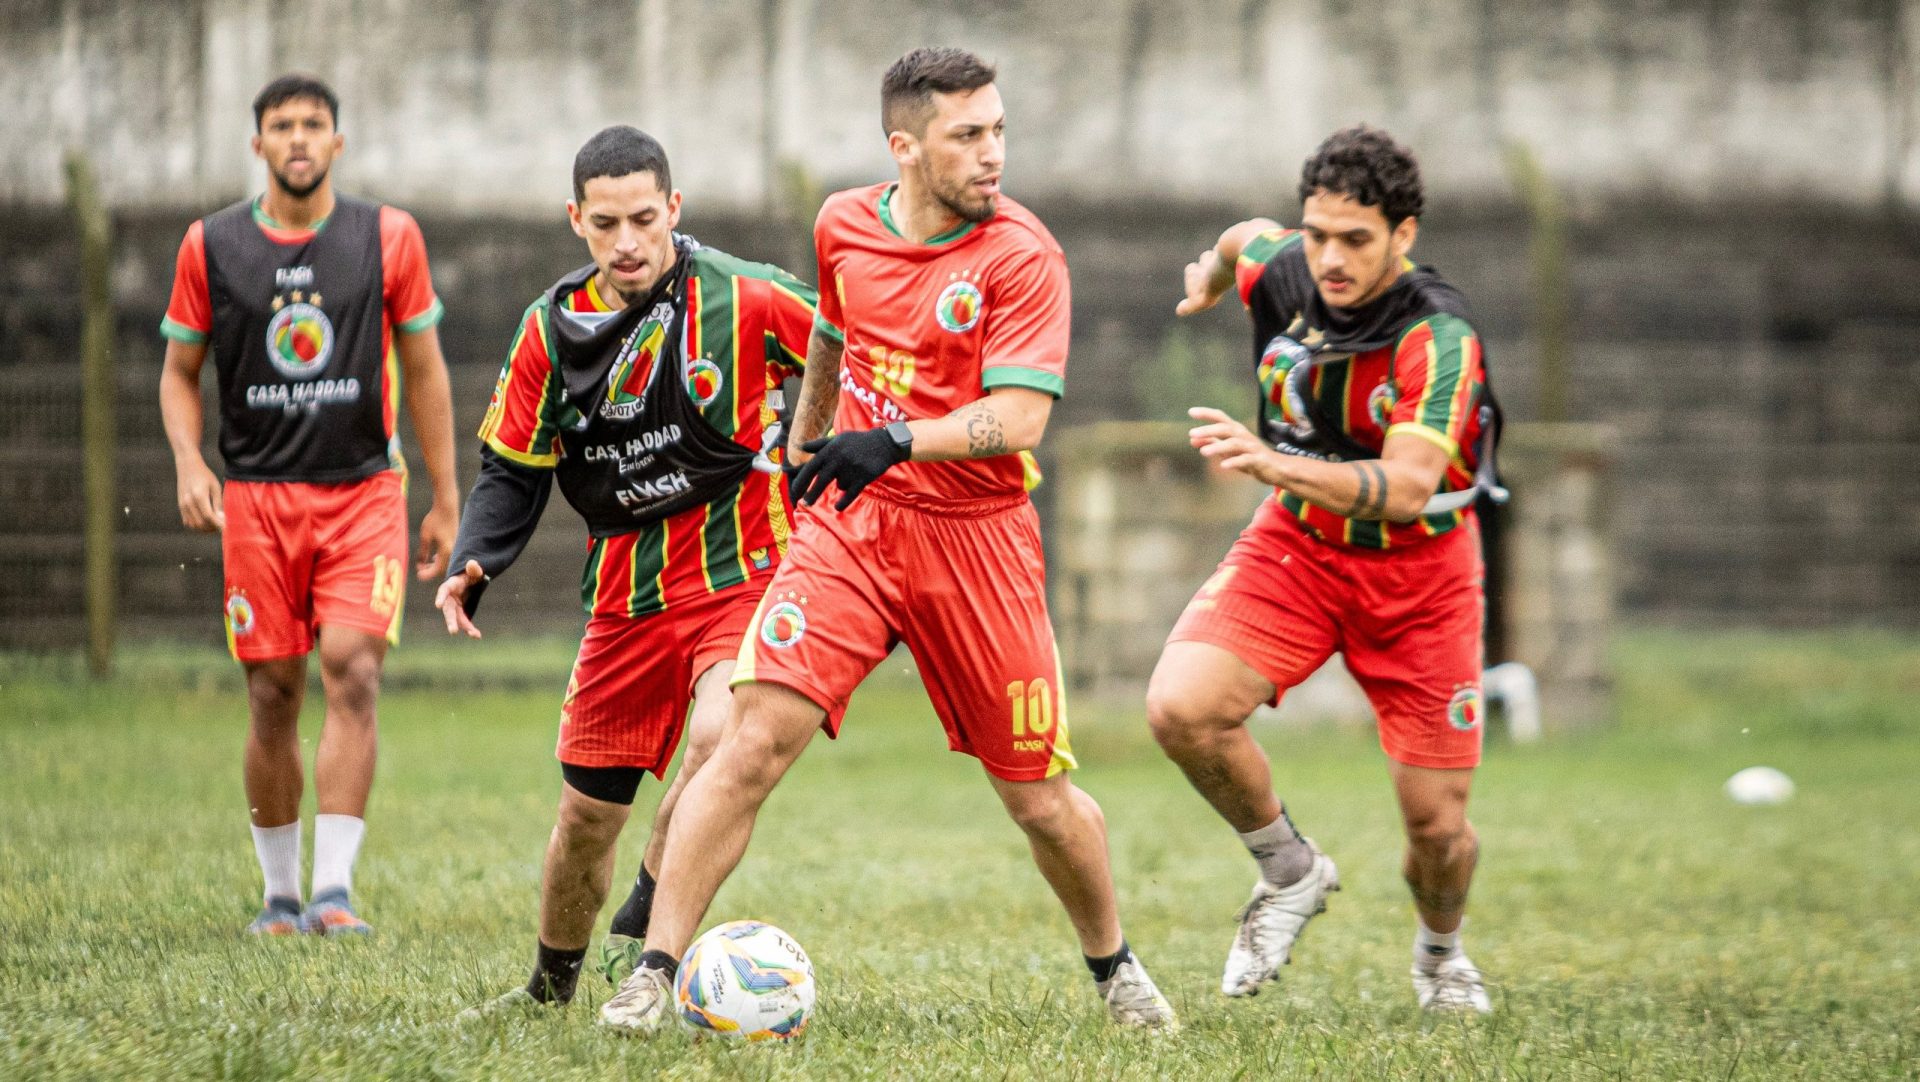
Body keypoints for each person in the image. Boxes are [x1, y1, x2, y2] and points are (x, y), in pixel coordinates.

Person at [597, 46, 1177, 1035]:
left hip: (978, 540)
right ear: (904, 148)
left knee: (1040, 800)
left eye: (998, 131)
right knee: (746, 742)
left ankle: (1115, 965)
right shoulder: (842, 224)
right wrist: (807, 436)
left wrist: (896, 437)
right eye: (968, 136)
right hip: (854, 531)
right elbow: (833, 328)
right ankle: (654, 971)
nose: (994, 154)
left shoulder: (1024, 256)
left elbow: (1021, 419)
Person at [439, 126, 818, 1014]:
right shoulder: (549, 329)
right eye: (605, 223)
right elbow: (510, 468)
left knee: (724, 735)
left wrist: (818, 443)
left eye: (644, 219)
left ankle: (648, 946)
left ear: (674, 210)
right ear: (576, 220)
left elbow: (853, 343)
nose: (628, 242)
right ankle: (547, 992)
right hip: (626, 597)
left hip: (747, 573)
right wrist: (474, 560)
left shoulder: (746, 296)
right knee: (584, 822)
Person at [1147, 125, 1498, 1013]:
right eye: (1319, 235)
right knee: (1182, 708)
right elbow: (1242, 238)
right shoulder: (1290, 263)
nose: (1330, 260)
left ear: (1404, 235)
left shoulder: (1439, 338)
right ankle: (1289, 871)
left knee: (1438, 828)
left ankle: (1441, 956)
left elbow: (1409, 487)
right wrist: (1212, 273)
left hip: (1419, 576)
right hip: (1299, 547)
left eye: (1357, 240)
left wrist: (1272, 464)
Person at [158, 73, 461, 937]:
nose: (298, 138)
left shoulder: (388, 236)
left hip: (365, 489)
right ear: (256, 144)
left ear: (337, 142)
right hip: (256, 499)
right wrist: (189, 461)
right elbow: (179, 375)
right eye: (281, 126)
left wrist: (445, 495)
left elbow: (429, 369)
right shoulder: (209, 245)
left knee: (355, 669)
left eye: (314, 124)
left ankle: (334, 892)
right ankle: (280, 897)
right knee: (272, 692)